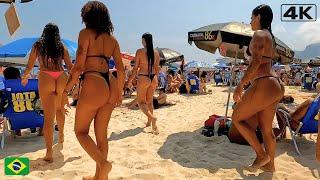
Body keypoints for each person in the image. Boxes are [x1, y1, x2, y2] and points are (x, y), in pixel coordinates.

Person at [64, 2, 125, 179]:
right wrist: (120, 92)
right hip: (110, 84)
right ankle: (100, 176)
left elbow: (78, 67)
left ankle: (103, 164)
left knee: (80, 131)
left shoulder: (85, 34)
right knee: (101, 136)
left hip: (94, 81)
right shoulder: (112, 40)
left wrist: (66, 90)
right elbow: (120, 70)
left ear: (87, 16)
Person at [231, 4, 285, 172]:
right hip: (275, 85)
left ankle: (262, 156)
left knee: (237, 118)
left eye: (252, 17)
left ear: (259, 17)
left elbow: (255, 63)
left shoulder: (259, 34)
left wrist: (241, 85)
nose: (250, 21)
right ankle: (270, 166)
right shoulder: (270, 37)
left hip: (264, 83)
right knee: (266, 130)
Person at [21, 23, 73, 162]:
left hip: (46, 76)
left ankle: (49, 152)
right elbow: (70, 66)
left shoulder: (38, 45)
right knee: (60, 109)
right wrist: (75, 82)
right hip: (61, 76)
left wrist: (25, 76)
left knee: (48, 118)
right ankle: (61, 134)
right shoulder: (61, 46)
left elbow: (30, 64)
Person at [128, 33, 160, 134]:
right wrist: (156, 79)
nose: (141, 41)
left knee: (141, 102)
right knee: (149, 102)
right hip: (153, 78)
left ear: (144, 40)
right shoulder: (156, 52)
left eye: (142, 40)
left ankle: (152, 118)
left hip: (143, 77)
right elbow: (157, 69)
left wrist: (129, 81)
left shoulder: (140, 51)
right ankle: (149, 122)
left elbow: (135, 68)